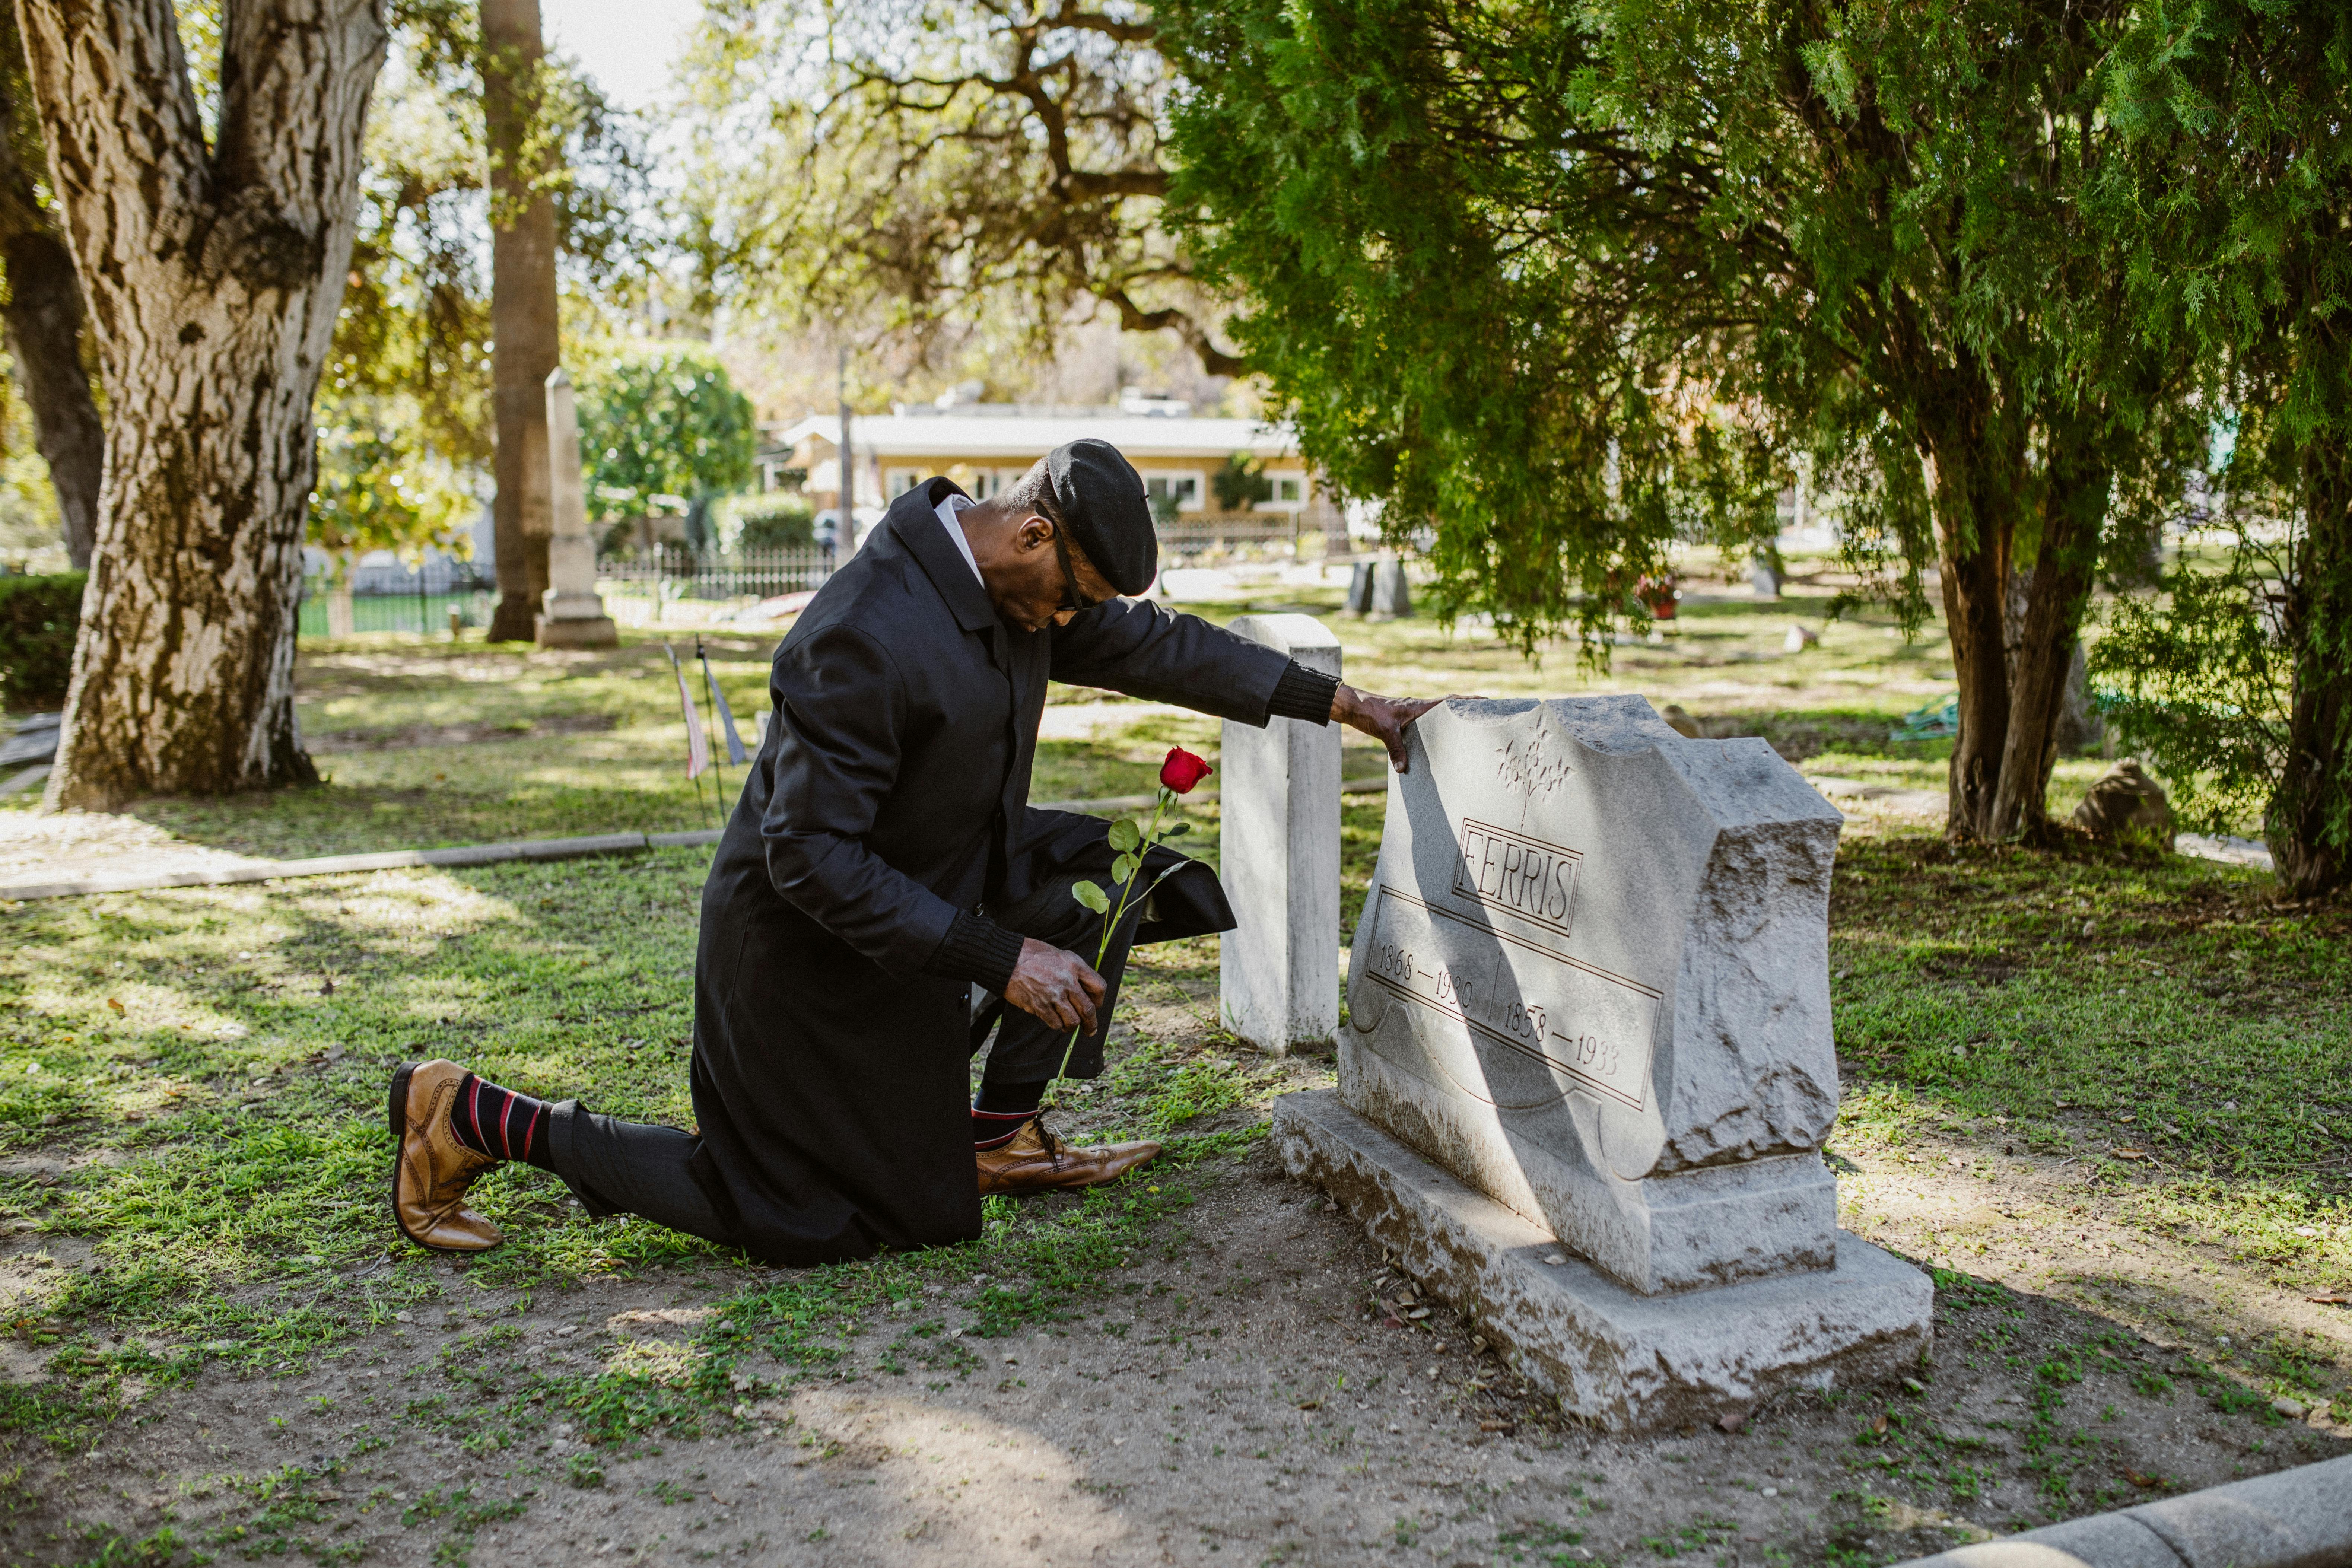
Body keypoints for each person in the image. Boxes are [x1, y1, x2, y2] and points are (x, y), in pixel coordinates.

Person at [389, 439, 1437, 1266]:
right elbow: (806, 856)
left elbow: (1158, 646)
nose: (1073, 623)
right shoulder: (862, 633)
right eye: (1073, 598)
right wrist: (1002, 956)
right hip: (808, 949)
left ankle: (997, 1135)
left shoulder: (1017, 586)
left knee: (1116, 877)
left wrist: (1344, 702)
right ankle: (469, 1114)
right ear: (1032, 534)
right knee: (801, 1216)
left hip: (938, 880)